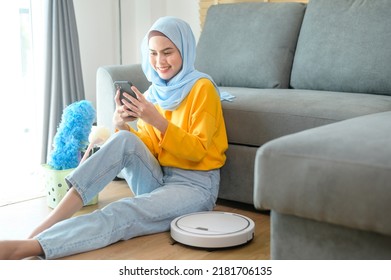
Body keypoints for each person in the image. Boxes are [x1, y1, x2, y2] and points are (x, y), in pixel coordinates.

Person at [0, 16, 228, 260]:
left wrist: (157, 121)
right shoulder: (155, 94)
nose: (159, 61)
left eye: (168, 52)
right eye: (153, 53)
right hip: (160, 177)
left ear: (185, 49)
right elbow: (150, 148)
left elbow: (199, 150)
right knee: (124, 140)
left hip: (195, 187)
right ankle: (49, 223)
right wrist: (121, 125)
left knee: (121, 211)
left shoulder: (202, 89)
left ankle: (32, 247)